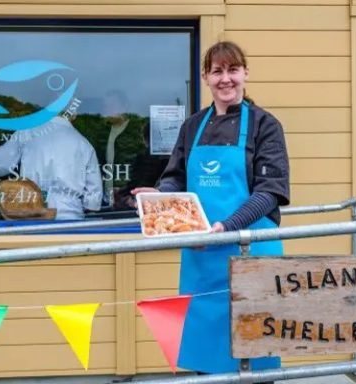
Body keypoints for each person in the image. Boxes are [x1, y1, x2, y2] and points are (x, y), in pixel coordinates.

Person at [132, 41, 290, 374]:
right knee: (207, 362)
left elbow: (270, 192)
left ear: (245, 73)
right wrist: (159, 198)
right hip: (203, 256)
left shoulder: (265, 126)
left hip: (252, 255)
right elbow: (176, 178)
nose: (225, 79)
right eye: (217, 71)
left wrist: (227, 227)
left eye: (233, 70)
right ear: (206, 77)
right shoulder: (192, 126)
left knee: (257, 356)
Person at [0, 116, 103, 220]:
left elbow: (0, 164)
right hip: (70, 215)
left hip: (32, 210)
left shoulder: (27, 131)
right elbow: (93, 198)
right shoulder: (83, 143)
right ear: (72, 115)